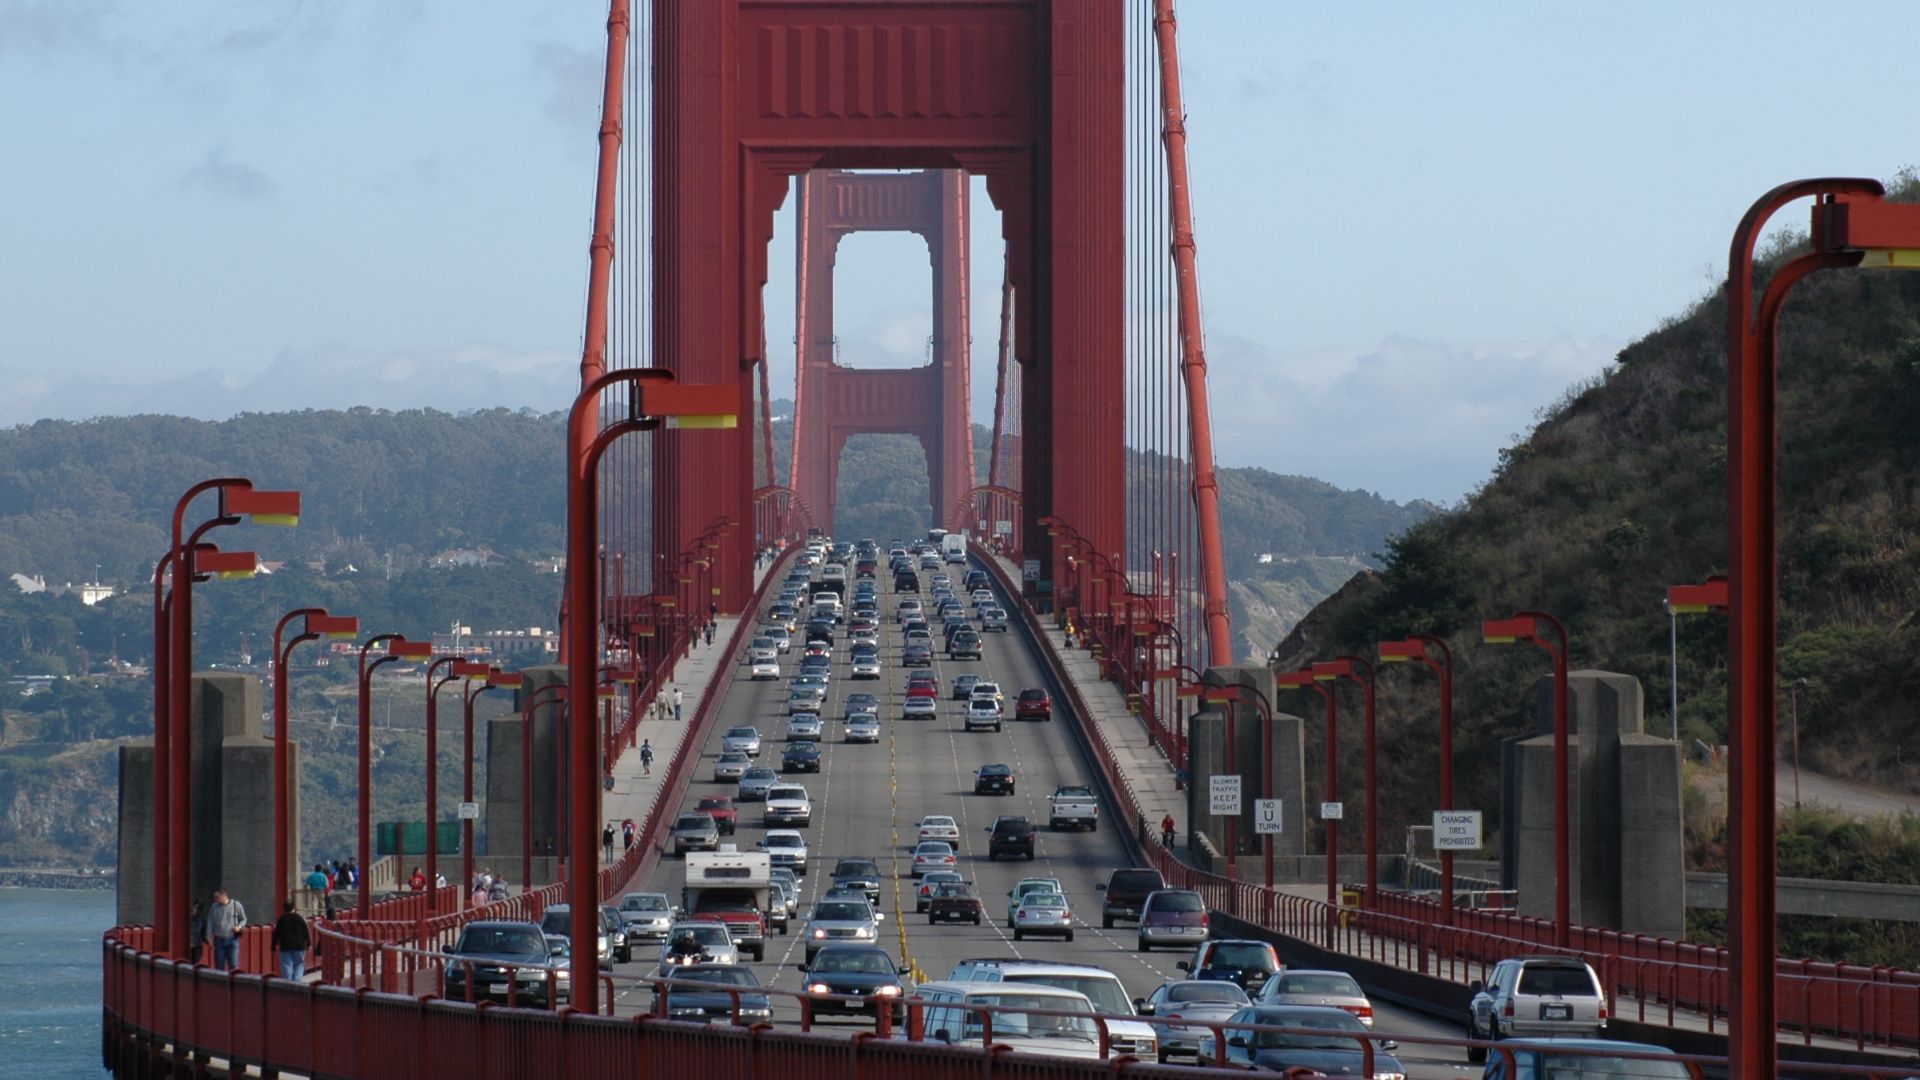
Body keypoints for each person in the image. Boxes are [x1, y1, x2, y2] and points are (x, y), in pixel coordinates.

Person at [208, 887, 248, 971]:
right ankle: (220, 982)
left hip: (232, 938)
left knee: (233, 963)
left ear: (224, 896)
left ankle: (233, 981)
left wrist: (239, 927)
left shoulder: (236, 905)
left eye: (217, 897)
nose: (215, 900)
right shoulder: (214, 907)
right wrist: (209, 937)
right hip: (219, 938)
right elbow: (210, 922)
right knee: (219, 964)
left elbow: (244, 919)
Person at [271, 899, 311, 980]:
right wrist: (309, 943)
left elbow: (276, 934)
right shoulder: (300, 918)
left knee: (286, 966)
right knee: (299, 964)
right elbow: (306, 931)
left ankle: (288, 983)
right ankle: (297, 982)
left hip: (286, 946)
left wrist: (273, 947)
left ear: (284, 908)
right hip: (299, 946)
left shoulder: (281, 920)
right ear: (294, 907)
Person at [187, 899, 208, 965]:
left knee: (195, 963)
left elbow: (203, 933)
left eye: (199, 909)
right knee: (187, 963)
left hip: (197, 945)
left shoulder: (202, 920)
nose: (196, 910)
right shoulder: (186, 918)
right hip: (187, 944)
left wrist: (207, 941)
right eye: (195, 908)